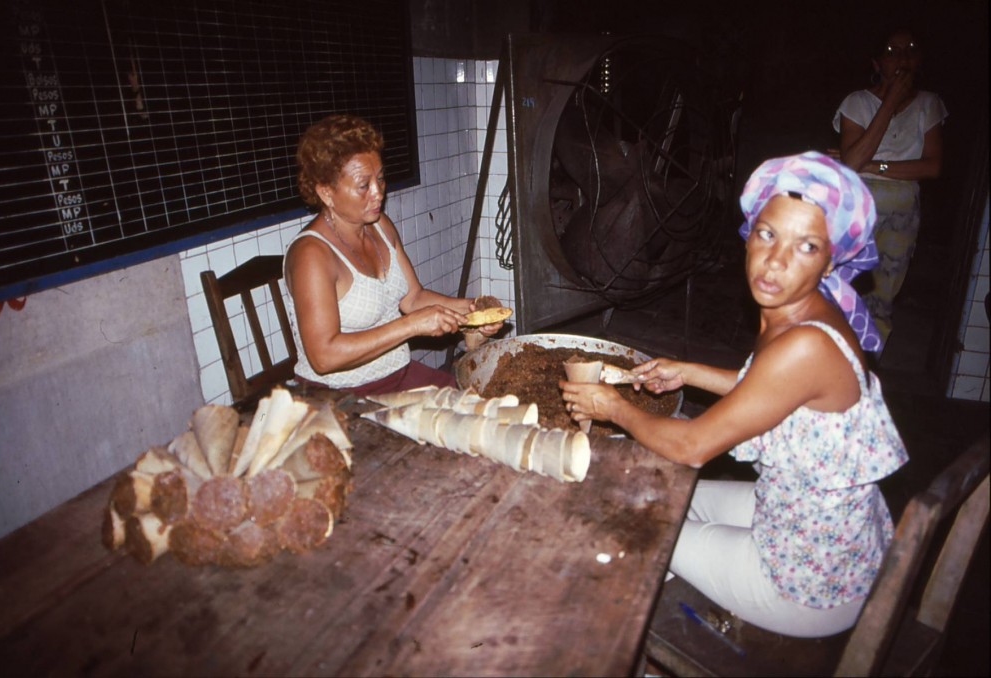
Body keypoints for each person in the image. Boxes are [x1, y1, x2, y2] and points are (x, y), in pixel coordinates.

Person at [560, 152, 908, 638]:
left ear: (833, 257)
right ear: (749, 232)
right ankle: (650, 606)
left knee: (626, 518)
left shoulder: (806, 343)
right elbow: (772, 393)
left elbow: (692, 446)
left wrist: (610, 405)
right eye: (767, 234)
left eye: (806, 246)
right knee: (665, 495)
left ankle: (629, 642)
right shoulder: (808, 312)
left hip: (809, 583)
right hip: (816, 525)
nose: (776, 261)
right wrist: (688, 372)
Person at [284, 114, 501, 397]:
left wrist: (472, 310)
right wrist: (410, 326)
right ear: (326, 192)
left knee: (481, 406)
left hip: (398, 374)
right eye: (364, 185)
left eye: (381, 179)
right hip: (341, 393)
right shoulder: (311, 255)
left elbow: (412, 298)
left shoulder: (380, 226)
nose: (378, 193)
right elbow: (323, 357)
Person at [833, 27, 947, 346]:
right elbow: (852, 161)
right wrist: (890, 101)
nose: (902, 58)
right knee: (839, 290)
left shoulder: (929, 105)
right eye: (892, 51)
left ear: (919, 60)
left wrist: (872, 164)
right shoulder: (857, 103)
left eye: (910, 49)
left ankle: (864, 374)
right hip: (857, 205)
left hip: (903, 211)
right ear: (876, 63)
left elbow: (932, 166)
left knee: (881, 299)